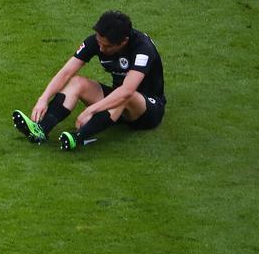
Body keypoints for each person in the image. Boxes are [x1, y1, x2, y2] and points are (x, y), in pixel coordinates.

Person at [12, 11, 166, 151]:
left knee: (125, 96)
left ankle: (78, 138)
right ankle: (41, 130)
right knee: (77, 82)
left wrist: (91, 110)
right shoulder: (98, 42)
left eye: (107, 46)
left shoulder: (143, 49)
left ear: (123, 41)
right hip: (116, 104)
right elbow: (66, 72)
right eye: (99, 42)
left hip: (148, 110)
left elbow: (127, 91)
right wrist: (43, 99)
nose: (100, 48)